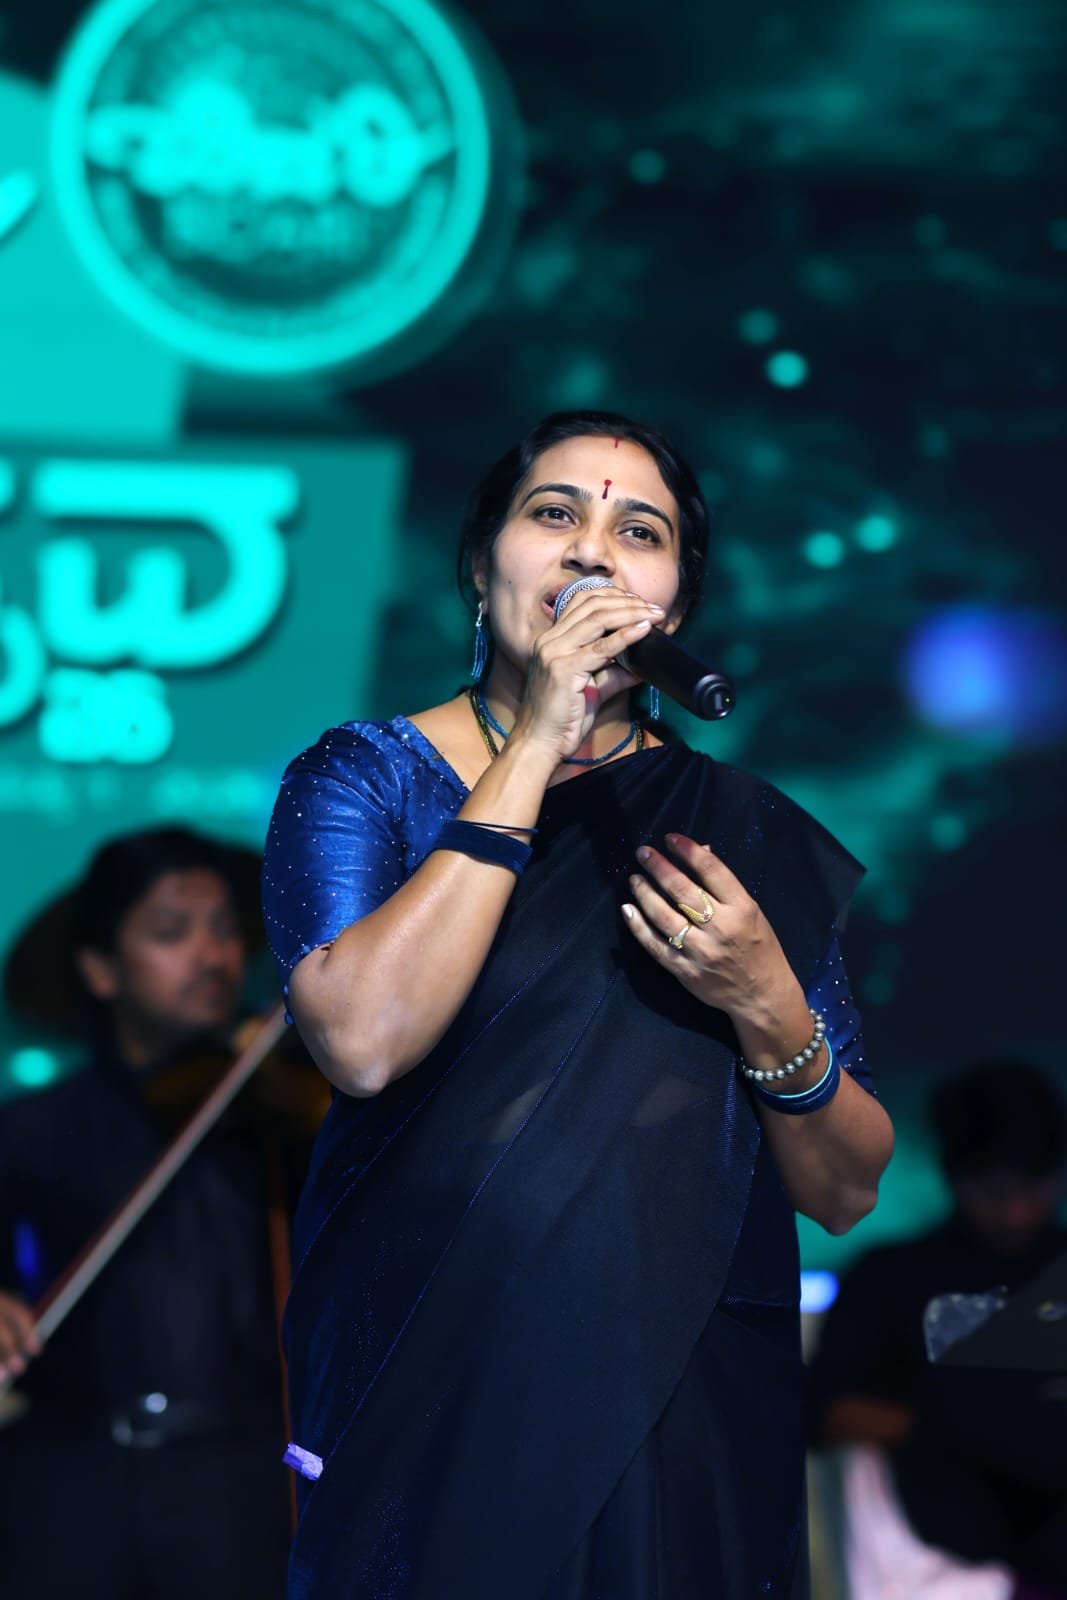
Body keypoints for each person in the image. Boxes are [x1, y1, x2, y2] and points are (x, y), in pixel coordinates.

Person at [262, 409, 894, 1598]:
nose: (592, 551)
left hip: (677, 1391)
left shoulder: (738, 831)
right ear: (479, 564)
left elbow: (845, 1187)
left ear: (674, 605)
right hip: (438, 1375)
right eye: (553, 514)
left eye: (637, 532)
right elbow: (361, 1040)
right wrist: (537, 742)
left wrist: (766, 1000)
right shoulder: (365, 778)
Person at [0, 825, 327, 1600]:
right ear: (100, 969)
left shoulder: (288, 1105)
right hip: (69, 1484)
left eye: (225, 929)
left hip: (243, 1482)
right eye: (172, 932)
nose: (212, 955)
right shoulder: (35, 1125)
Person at [808, 1059, 1067, 1596]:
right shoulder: (893, 1278)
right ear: (953, 1175)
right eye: (993, 1190)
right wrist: (943, 1424)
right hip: (946, 1570)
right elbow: (819, 1410)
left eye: (1035, 1185)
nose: (1016, 1212)